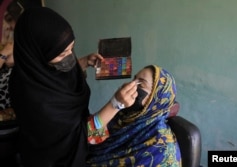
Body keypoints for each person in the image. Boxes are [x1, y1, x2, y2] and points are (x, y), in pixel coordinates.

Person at [9, 7, 139, 167]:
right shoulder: (34, 100)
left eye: (72, 48)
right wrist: (116, 104)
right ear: (38, 54)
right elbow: (82, 136)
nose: (70, 56)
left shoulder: (39, 69)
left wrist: (82, 63)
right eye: (63, 54)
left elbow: (56, 77)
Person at [86, 65, 182, 167]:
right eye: (134, 79)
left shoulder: (161, 150)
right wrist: (115, 104)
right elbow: (89, 136)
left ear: (156, 99)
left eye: (140, 84)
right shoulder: (125, 116)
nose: (131, 85)